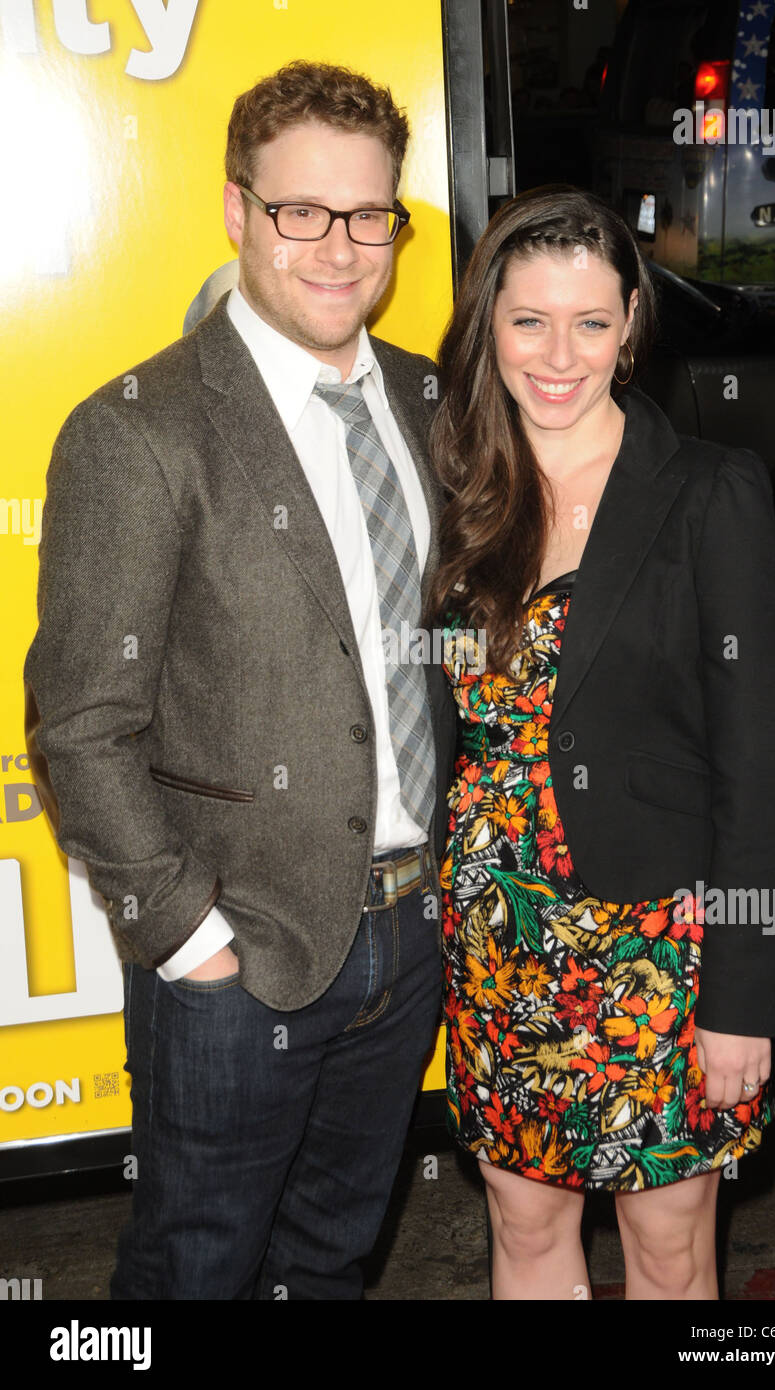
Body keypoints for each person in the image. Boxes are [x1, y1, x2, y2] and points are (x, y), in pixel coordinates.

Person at [24, 60, 455, 1300]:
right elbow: (82, 723)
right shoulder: (140, 428)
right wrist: (185, 936)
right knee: (194, 1272)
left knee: (331, 1257)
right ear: (234, 210)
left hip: (409, 938)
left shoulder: (427, 400)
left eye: (368, 214)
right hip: (237, 956)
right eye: (299, 212)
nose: (338, 247)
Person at [427, 186, 775, 1300]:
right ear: (487, 324)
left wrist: (740, 999)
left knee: (667, 1246)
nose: (557, 353)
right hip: (496, 938)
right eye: (528, 320)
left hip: (658, 951)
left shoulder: (706, 494)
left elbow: (760, 767)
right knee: (524, 1223)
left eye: (589, 321)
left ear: (630, 325)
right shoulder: (456, 490)